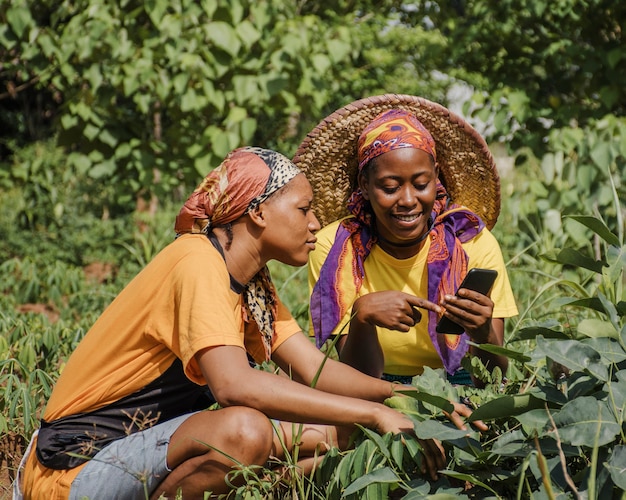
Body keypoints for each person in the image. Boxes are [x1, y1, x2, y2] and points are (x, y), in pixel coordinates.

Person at [17, 146, 476, 500]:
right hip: (74, 469)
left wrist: (415, 400)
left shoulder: (252, 282)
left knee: (341, 433)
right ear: (257, 211)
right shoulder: (197, 262)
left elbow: (315, 371)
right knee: (245, 430)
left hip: (152, 445)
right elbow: (235, 388)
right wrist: (377, 411)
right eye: (303, 209)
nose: (317, 223)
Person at [294, 95, 519, 387]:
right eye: (390, 187)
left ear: (437, 176)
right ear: (364, 185)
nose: (409, 201)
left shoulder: (471, 241)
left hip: (459, 380)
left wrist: (483, 333)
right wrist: (362, 318)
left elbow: (495, 380)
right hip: (375, 386)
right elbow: (356, 378)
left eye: (422, 184)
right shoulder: (337, 248)